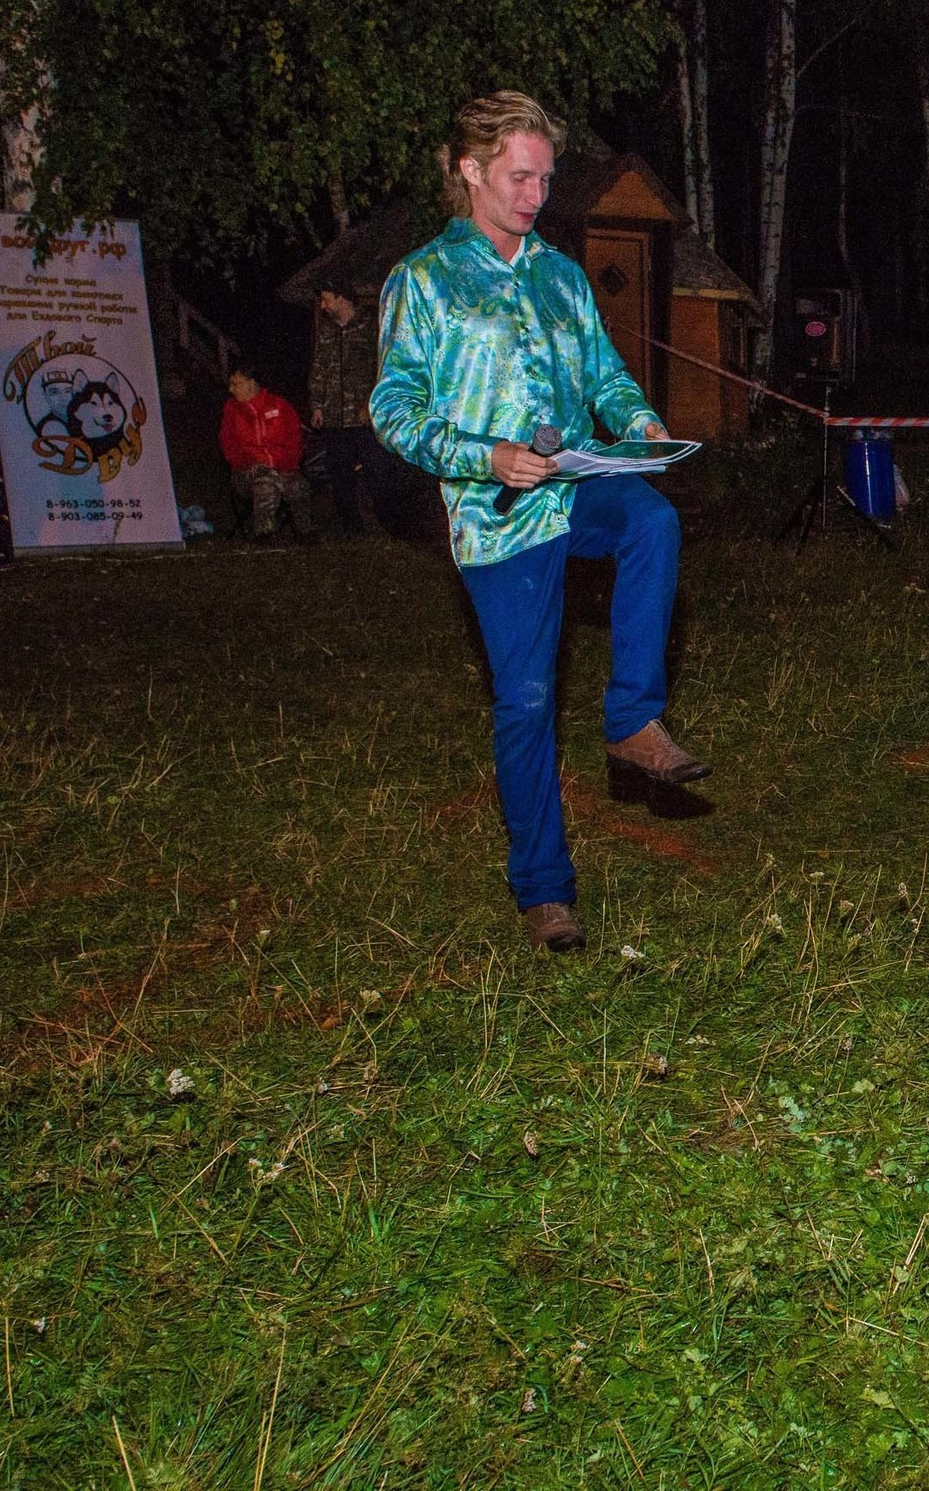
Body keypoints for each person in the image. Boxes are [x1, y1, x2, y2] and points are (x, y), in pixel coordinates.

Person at [373, 91, 710, 954]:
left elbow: (604, 377)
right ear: (470, 170)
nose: (535, 194)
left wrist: (637, 425)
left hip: (574, 483)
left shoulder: (561, 276)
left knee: (652, 521)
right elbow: (394, 410)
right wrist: (484, 456)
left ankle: (634, 719)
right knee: (524, 701)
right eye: (520, 176)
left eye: (545, 178)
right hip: (499, 515)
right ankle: (544, 891)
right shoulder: (423, 282)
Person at [306, 287, 410, 533]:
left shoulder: (371, 327)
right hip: (334, 418)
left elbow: (386, 368)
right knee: (341, 476)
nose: (323, 305)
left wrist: (370, 404)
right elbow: (319, 367)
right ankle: (352, 529)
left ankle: (391, 526)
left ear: (341, 298)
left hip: (365, 420)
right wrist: (317, 405)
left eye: (326, 300)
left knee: (379, 473)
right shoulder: (327, 330)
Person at [219, 368, 317, 541]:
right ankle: (265, 534)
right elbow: (230, 448)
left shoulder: (280, 406)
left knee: (296, 484)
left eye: (236, 384)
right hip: (247, 473)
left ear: (252, 384)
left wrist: (277, 462)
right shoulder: (232, 410)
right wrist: (258, 461)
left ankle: (305, 530)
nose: (231, 389)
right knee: (265, 481)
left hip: (283, 468)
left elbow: (295, 443)